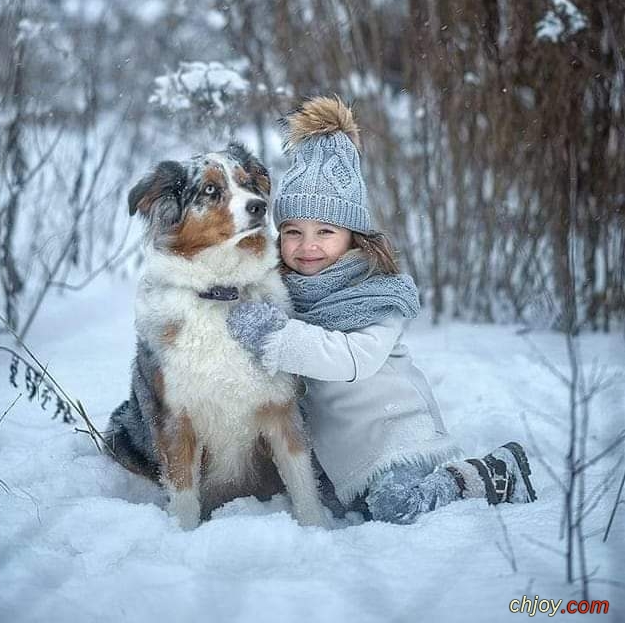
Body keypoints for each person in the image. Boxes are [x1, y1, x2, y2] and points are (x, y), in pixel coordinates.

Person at [226, 96, 537, 524]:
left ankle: (492, 473)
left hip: (399, 439)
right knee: (360, 506)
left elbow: (354, 360)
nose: (307, 246)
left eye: (325, 231)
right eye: (293, 232)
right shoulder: (285, 297)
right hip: (345, 459)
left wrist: (277, 339)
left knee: (398, 508)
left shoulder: (375, 296)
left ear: (354, 237)